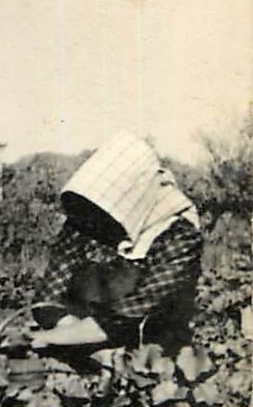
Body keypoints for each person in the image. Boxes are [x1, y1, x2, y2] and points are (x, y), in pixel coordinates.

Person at [30, 132, 203, 353]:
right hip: (78, 337)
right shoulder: (86, 216)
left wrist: (54, 338)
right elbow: (50, 294)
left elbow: (131, 313)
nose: (98, 219)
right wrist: (66, 331)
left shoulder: (179, 234)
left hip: (150, 353)